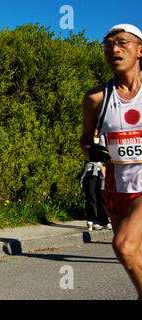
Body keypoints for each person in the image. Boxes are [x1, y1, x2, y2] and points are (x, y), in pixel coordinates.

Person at [80, 24, 142, 299]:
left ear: (140, 50)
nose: (114, 49)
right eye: (107, 45)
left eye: (122, 42)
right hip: (115, 190)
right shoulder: (96, 98)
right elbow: (85, 140)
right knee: (133, 254)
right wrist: (91, 151)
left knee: (124, 246)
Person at [78, 129, 111, 231]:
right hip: (90, 169)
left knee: (101, 195)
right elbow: (89, 153)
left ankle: (104, 220)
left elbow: (105, 154)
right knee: (90, 195)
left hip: (100, 169)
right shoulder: (87, 140)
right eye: (94, 128)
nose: (95, 130)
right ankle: (92, 220)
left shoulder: (102, 139)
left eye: (97, 128)